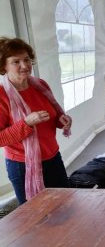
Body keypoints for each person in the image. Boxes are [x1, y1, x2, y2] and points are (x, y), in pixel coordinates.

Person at [0, 37, 71, 205]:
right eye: (16, 61)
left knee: (65, 204)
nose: (24, 65)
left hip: (53, 158)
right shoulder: (2, 95)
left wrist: (62, 120)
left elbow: (54, 116)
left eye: (26, 59)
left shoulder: (40, 85)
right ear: (3, 66)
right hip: (22, 166)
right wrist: (26, 123)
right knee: (34, 215)